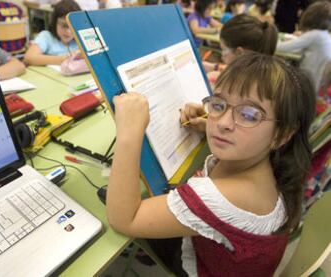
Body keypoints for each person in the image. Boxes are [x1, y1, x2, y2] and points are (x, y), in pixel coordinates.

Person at [107, 53, 316, 276]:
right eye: (219, 105)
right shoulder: (275, 163)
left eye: (249, 115)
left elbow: (126, 219)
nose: (223, 123)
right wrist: (208, 127)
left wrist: (129, 132)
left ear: (282, 134)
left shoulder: (223, 196)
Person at [203, 14, 278, 83]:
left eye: (224, 49)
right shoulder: (259, 71)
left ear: (239, 53)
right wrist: (214, 67)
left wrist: (210, 78)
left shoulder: (237, 85)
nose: (222, 55)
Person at [276, 1, 331, 91]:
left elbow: (282, 47)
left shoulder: (314, 35)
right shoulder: (324, 35)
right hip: (315, 82)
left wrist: (273, 38)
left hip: (307, 80)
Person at [24, 0, 81, 66]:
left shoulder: (80, 39)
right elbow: (29, 57)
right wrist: (63, 59)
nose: (68, 31)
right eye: (64, 25)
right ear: (54, 23)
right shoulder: (46, 37)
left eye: (72, 26)